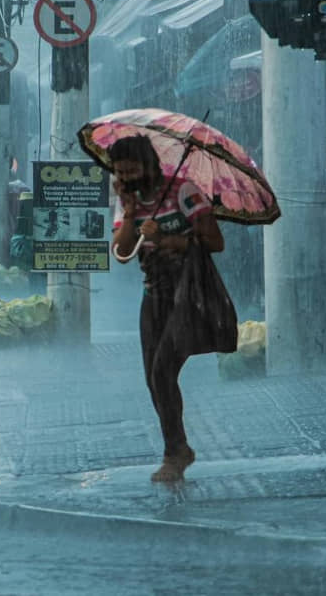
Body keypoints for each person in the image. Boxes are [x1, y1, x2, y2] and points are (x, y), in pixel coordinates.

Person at [109, 135, 227, 483]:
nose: (127, 178)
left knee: (162, 372)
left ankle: (175, 453)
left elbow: (214, 242)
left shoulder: (183, 192)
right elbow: (121, 252)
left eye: (132, 170)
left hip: (188, 294)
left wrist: (167, 238)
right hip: (154, 296)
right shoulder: (128, 201)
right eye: (120, 172)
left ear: (149, 165)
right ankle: (178, 448)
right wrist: (130, 215)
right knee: (154, 379)